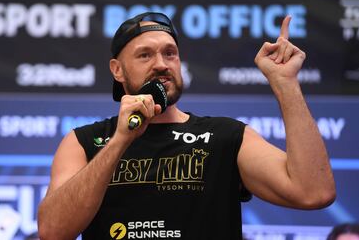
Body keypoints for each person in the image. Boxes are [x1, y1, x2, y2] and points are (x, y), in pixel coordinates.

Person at [37, 12, 336, 240]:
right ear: (117, 70)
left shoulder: (225, 137)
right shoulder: (84, 141)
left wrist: (286, 85)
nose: (162, 64)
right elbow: (52, 231)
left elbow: (314, 192)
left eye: (170, 53)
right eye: (145, 55)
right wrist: (119, 141)